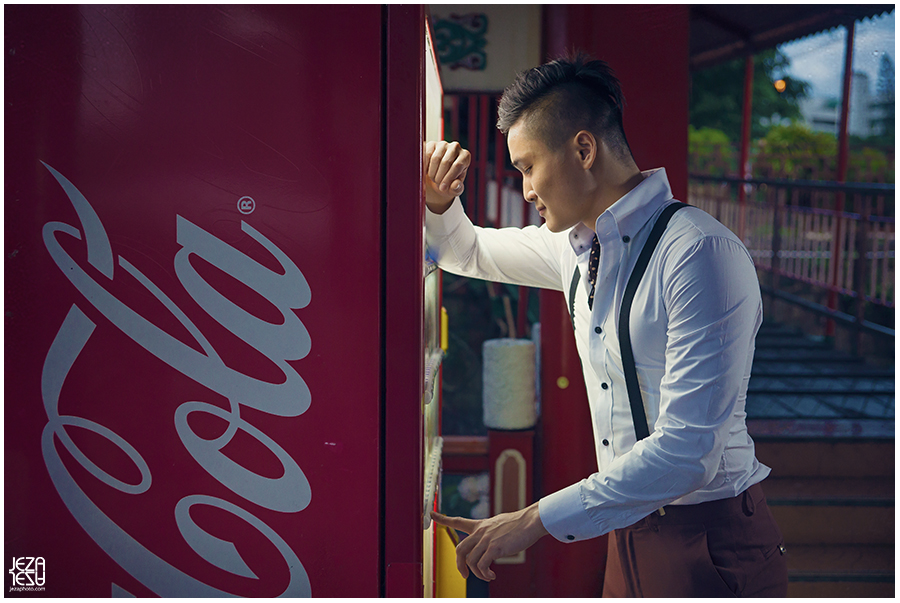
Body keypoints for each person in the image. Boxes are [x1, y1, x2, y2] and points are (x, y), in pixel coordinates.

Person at [425, 54, 788, 597]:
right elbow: (468, 250)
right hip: (626, 530)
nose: (524, 190)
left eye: (527, 167)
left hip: (711, 539)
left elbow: (689, 450)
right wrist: (438, 201)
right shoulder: (574, 248)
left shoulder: (699, 253)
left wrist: (530, 520)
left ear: (584, 149)